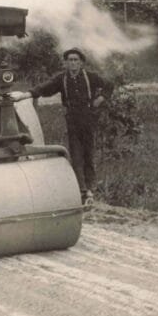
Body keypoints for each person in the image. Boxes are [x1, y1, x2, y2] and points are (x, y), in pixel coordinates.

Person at [8, 47, 112, 206]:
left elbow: (108, 85)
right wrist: (24, 96)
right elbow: (44, 88)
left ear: (81, 62)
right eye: (70, 60)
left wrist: (100, 99)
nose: (73, 63)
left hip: (88, 118)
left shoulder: (90, 77)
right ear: (65, 62)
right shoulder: (61, 79)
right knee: (76, 154)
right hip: (72, 119)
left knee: (89, 153)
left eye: (76, 60)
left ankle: (91, 189)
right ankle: (82, 191)